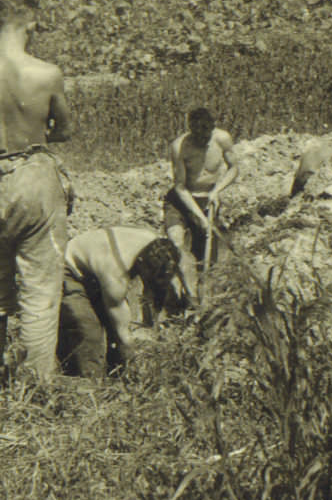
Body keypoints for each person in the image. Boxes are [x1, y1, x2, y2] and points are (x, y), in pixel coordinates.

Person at [0, 0, 72, 382]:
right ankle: (37, 384)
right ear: (31, 23)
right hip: (34, 172)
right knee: (40, 286)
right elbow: (66, 129)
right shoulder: (47, 73)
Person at [57, 226, 196, 378]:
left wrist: (191, 296)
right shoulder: (115, 275)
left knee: (112, 325)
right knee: (90, 330)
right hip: (69, 268)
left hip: (95, 266)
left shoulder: (154, 241)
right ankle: (91, 381)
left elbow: (182, 264)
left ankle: (116, 371)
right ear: (142, 263)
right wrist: (134, 359)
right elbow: (122, 332)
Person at [164, 108, 239, 271]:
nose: (200, 137)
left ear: (212, 127)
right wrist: (200, 217)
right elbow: (180, 186)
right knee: (176, 244)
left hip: (207, 200)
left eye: (205, 131)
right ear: (190, 128)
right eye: (195, 132)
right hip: (181, 201)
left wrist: (216, 191)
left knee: (206, 259)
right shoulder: (179, 147)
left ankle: (201, 286)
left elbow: (234, 169)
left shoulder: (222, 139)